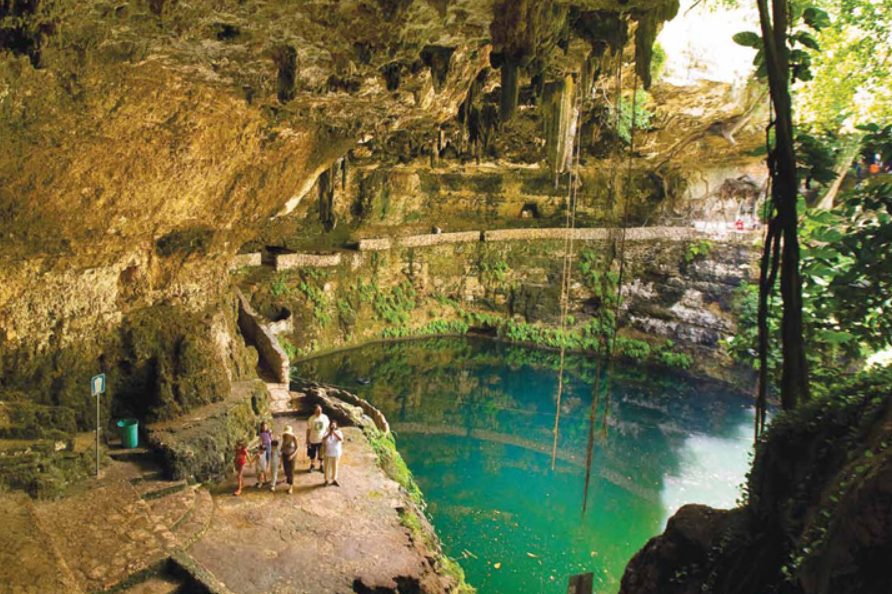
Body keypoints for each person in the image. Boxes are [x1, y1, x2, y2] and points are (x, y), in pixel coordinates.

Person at [306, 405, 330, 473]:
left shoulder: (325, 417)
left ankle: (321, 465)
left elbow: (328, 428)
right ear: (315, 411)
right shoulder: (311, 418)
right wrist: (307, 439)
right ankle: (312, 465)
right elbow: (308, 430)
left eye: (320, 410)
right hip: (313, 439)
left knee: (321, 453)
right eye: (318, 410)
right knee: (312, 453)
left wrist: (328, 437)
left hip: (322, 439)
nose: (320, 412)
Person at [322, 421, 344, 487]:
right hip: (327, 453)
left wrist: (334, 433)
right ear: (329, 426)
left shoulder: (339, 432)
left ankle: (334, 479)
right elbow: (323, 439)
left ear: (336, 426)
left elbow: (340, 439)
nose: (332, 427)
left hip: (336, 453)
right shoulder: (326, 432)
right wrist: (329, 434)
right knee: (326, 468)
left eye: (334, 426)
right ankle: (326, 480)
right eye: (331, 426)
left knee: (335, 467)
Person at [281, 425, 298, 494]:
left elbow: (297, 448)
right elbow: (282, 446)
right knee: (286, 469)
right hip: (285, 454)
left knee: (291, 470)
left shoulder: (294, 438)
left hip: (292, 455)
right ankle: (287, 479)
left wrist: (292, 455)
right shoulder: (284, 437)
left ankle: (291, 486)